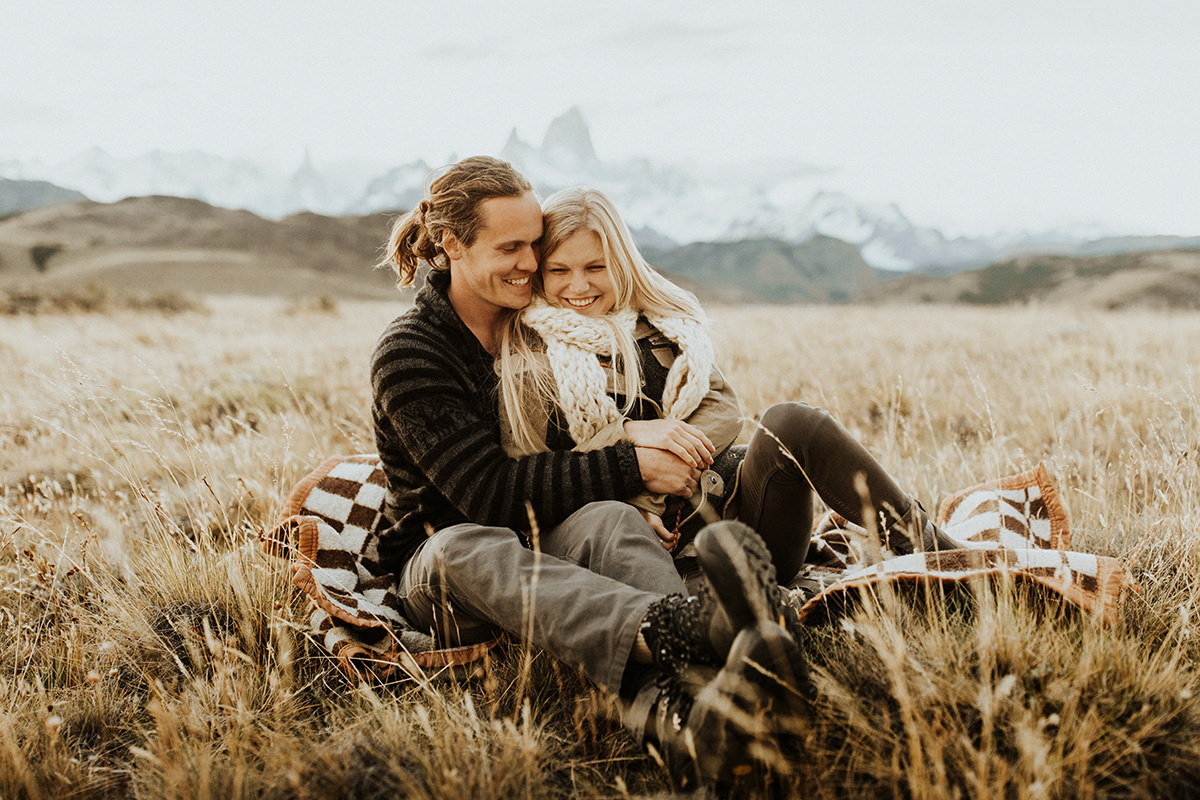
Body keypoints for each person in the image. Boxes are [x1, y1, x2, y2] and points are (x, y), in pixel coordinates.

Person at [370, 156, 804, 789]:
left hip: (548, 535)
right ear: (452, 244)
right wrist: (629, 457)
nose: (528, 264)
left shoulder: (536, 327)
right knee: (465, 545)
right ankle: (685, 624)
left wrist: (630, 472)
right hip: (451, 565)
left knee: (607, 516)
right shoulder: (412, 351)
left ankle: (694, 718)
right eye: (510, 247)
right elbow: (489, 495)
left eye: (532, 247)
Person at [496, 186, 961, 593]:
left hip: (727, 506)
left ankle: (936, 550)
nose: (579, 285)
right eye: (559, 271)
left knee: (790, 422)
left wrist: (663, 471)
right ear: (539, 273)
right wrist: (635, 448)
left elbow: (722, 407)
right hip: (629, 547)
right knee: (707, 564)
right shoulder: (528, 358)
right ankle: (718, 607)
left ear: (621, 262)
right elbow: (530, 474)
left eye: (595, 266)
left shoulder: (662, 327)